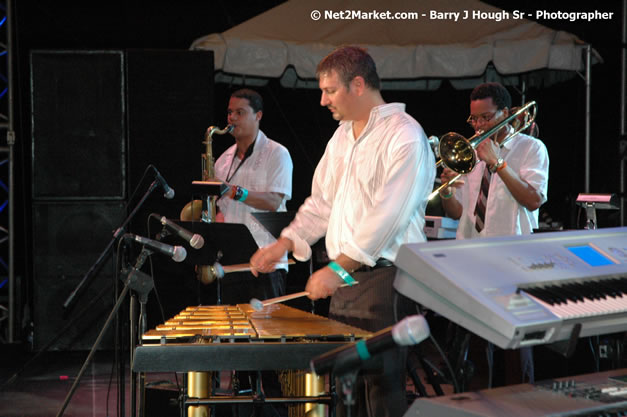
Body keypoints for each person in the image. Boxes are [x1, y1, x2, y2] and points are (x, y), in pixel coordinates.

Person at [250, 46, 435, 417]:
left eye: (329, 90)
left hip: (386, 279)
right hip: (348, 281)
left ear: (359, 84)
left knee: (381, 393)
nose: (322, 101)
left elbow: (388, 217)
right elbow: (321, 203)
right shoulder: (341, 138)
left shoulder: (404, 135)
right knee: (348, 393)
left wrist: (337, 269)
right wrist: (284, 243)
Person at [439, 82, 549, 384]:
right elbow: (458, 213)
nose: (478, 126)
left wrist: (498, 162)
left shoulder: (531, 149)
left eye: (486, 117)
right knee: (475, 347)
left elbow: (533, 199)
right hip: (472, 256)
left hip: (513, 259)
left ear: (506, 113)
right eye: (474, 119)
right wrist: (447, 189)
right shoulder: (469, 153)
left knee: (516, 347)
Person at [214, 88, 293, 304]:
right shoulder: (221, 161)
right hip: (231, 263)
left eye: (240, 112)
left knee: (264, 334)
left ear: (258, 116)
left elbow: (274, 201)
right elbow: (221, 212)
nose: (232, 118)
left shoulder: (277, 153)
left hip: (266, 260)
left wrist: (235, 192)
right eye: (230, 112)